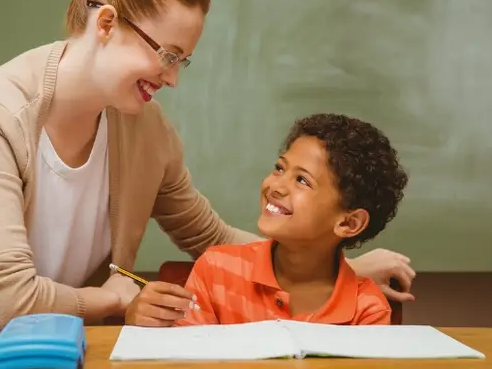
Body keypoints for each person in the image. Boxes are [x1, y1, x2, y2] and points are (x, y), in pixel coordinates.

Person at [0, 0, 414, 362]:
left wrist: (341, 263)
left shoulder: (146, 131)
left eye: (182, 61)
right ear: (106, 23)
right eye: (167, 55)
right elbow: (8, 299)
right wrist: (113, 298)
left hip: (59, 355)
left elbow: (211, 237)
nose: (172, 78)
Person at [170, 113, 409, 327]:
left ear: (349, 223)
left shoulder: (367, 310)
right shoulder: (215, 271)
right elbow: (187, 360)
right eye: (279, 168)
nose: (276, 186)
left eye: (302, 181)